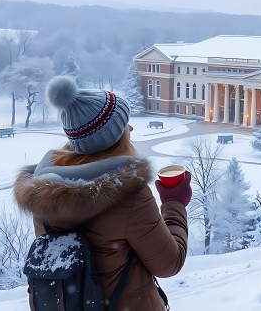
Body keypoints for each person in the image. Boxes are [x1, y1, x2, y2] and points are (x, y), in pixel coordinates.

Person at [15, 75, 191, 311]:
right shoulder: (128, 196)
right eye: (124, 124)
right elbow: (169, 263)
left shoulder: (44, 192)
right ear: (112, 138)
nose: (130, 128)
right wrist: (174, 203)